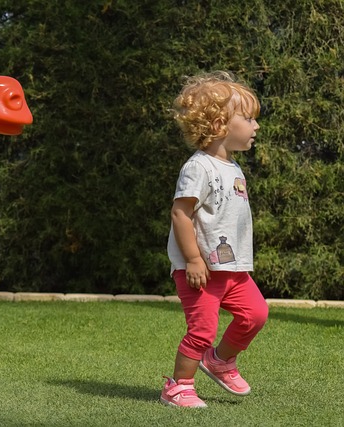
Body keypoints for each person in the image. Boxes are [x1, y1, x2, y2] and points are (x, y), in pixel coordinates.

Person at [160, 71, 269, 408]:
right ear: (222, 124)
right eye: (248, 118)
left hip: (232, 268)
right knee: (201, 331)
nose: (256, 126)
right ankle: (178, 387)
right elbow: (181, 214)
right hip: (202, 270)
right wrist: (193, 259)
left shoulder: (233, 167)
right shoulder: (199, 167)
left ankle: (219, 360)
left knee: (256, 314)